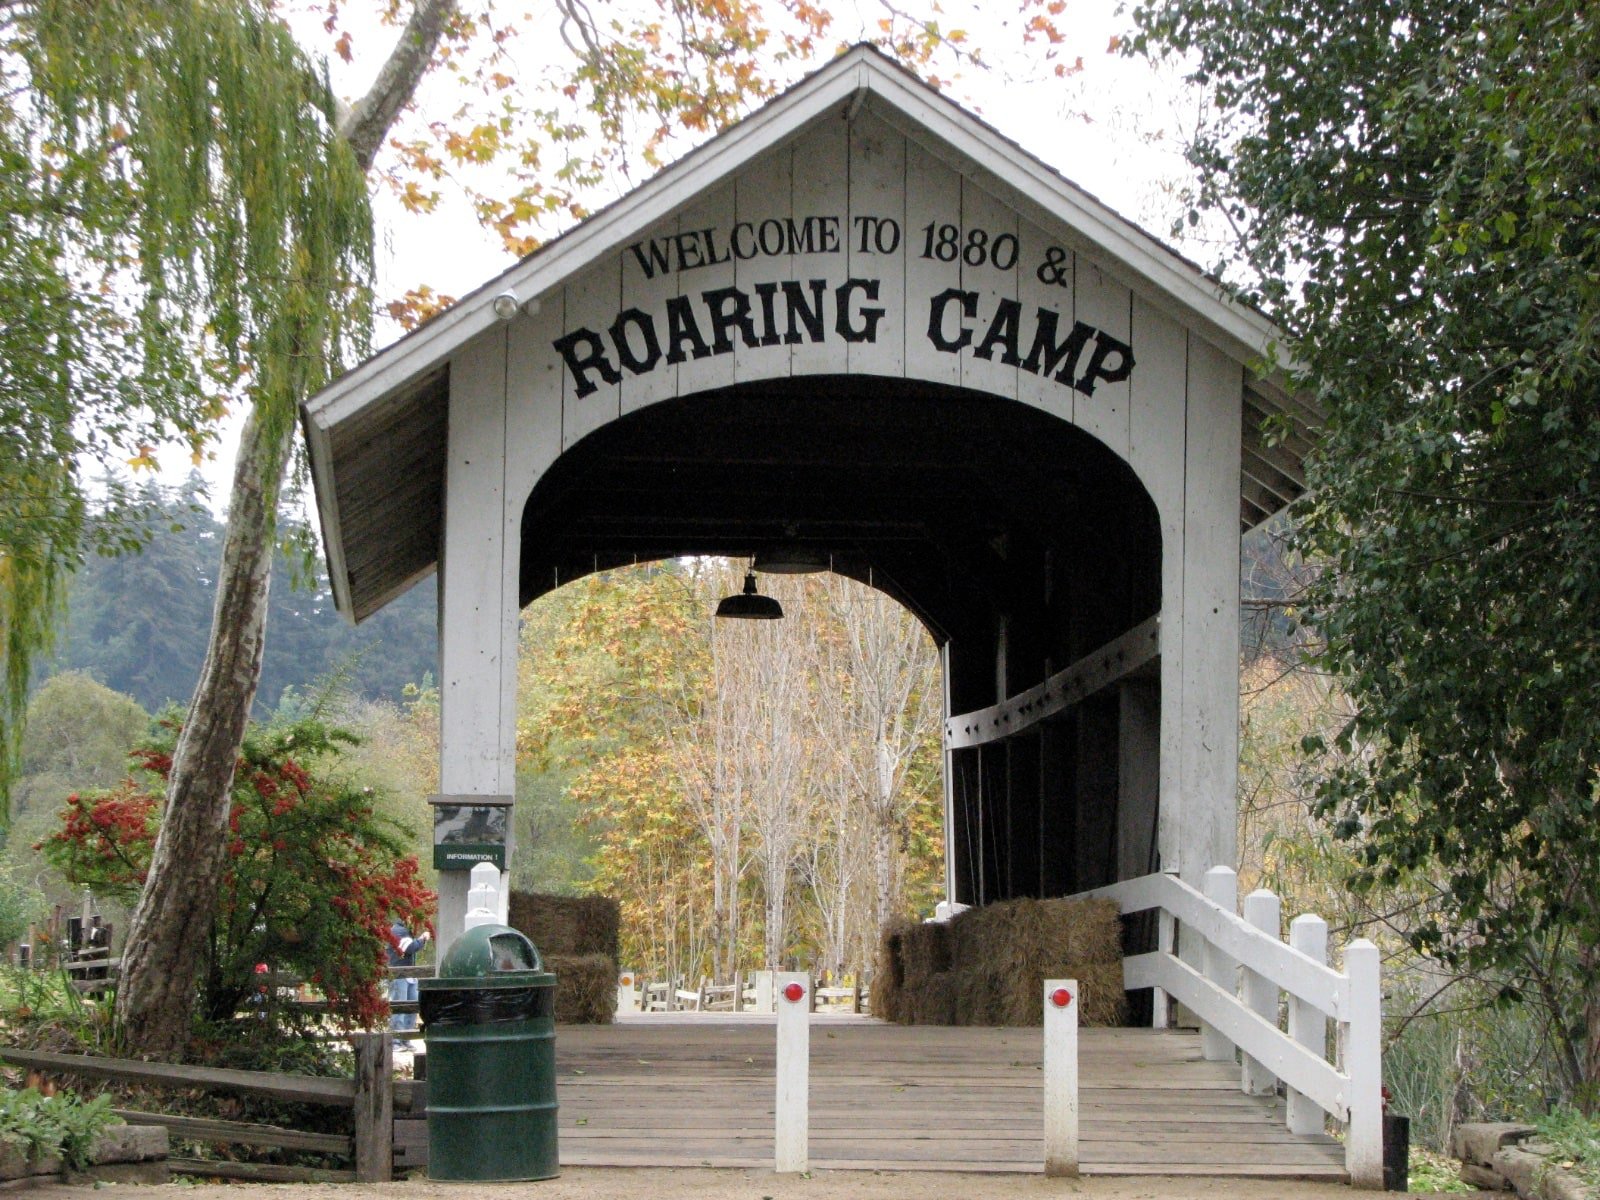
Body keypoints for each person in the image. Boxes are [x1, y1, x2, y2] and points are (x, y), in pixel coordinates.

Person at [388, 920, 429, 1049]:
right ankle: (396, 1040)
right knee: (399, 1007)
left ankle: (406, 1039)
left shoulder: (404, 931)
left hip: (409, 976)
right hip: (400, 975)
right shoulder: (399, 931)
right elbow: (410, 948)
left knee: (412, 1006)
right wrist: (422, 939)